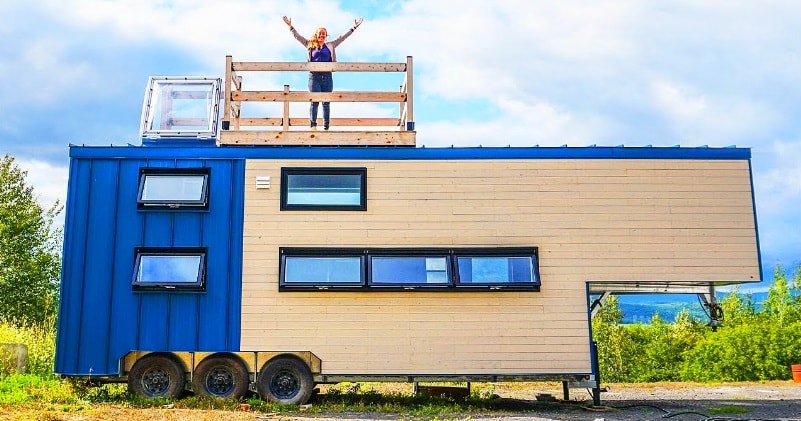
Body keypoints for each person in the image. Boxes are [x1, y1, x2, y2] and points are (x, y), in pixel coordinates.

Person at [283, 15, 363, 130]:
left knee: (326, 102)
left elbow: (343, 37)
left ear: (326, 36)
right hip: (314, 77)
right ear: (316, 34)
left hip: (327, 77)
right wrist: (290, 26)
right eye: (320, 33)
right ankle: (313, 125)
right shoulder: (309, 44)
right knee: (314, 101)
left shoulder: (331, 45)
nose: (322, 35)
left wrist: (353, 28)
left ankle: (326, 127)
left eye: (324, 33)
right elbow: (297, 37)